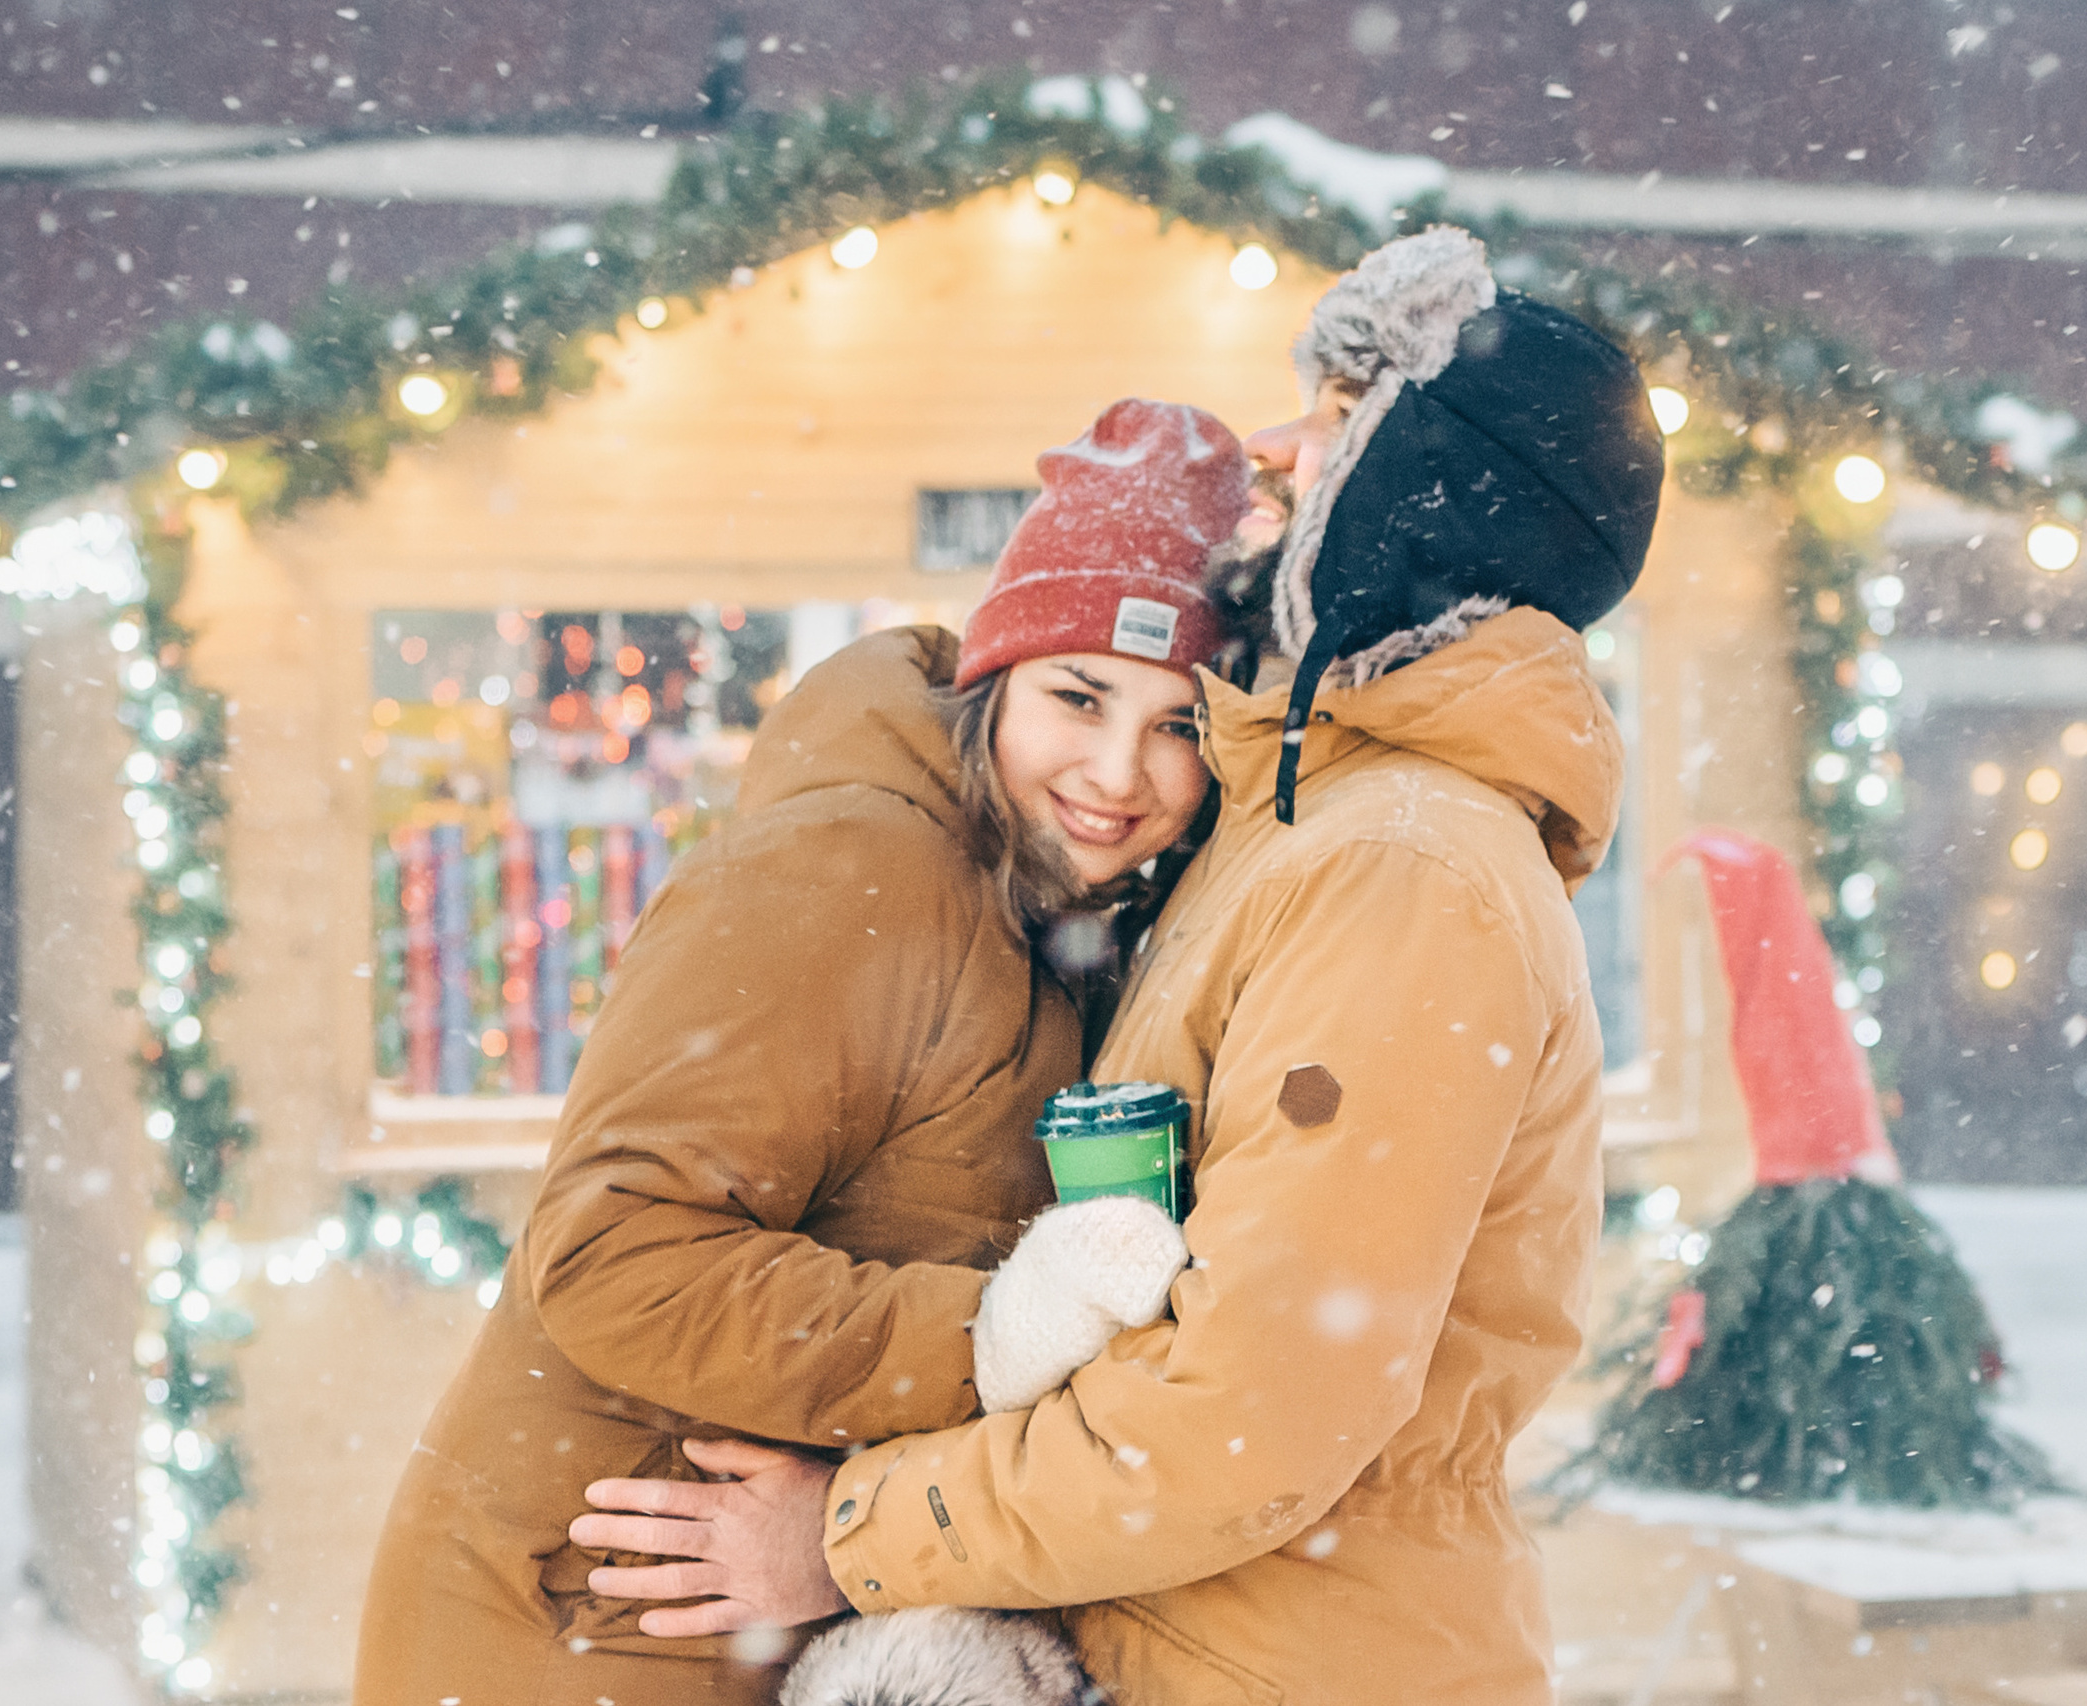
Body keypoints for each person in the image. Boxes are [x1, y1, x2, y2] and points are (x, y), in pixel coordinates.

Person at [571, 226, 1667, 1705]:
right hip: (1188, 1633)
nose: (1280, 464)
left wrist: (851, 1538)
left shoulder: (1398, 865)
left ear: (1407, 501)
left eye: (1330, 438)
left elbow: (1253, 1410)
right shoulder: (1291, 822)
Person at [350, 397, 1248, 1706]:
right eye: (1080, 694)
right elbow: (613, 1253)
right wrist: (983, 1337)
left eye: (1179, 724)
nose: (1120, 770)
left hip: (736, 1628)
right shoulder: (855, 867)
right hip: (585, 1619)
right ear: (993, 678)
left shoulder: (1045, 913)